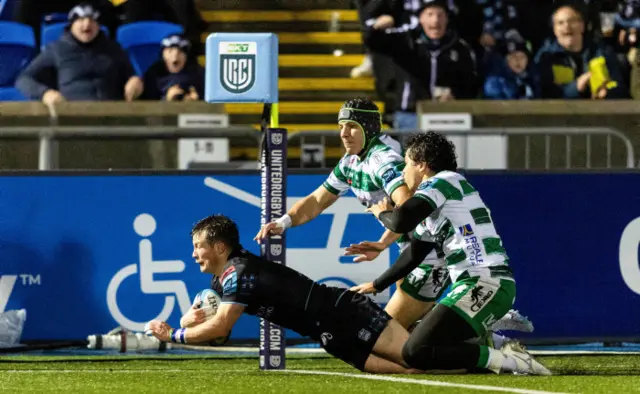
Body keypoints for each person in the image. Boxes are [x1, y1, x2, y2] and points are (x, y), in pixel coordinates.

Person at [145, 214, 549, 375]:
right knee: (410, 370)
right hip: (327, 333)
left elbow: (219, 327)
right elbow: (211, 322)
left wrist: (174, 336)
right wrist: (183, 323)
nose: (193, 253)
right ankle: (482, 345)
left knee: (417, 356)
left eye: (198, 246)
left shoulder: (240, 274)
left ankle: (495, 346)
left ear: (218, 248)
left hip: (342, 312)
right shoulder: (225, 279)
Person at [348, 131, 549, 375]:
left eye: (407, 164)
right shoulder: (440, 197)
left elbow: (400, 221)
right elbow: (415, 253)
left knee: (415, 351)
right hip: (474, 284)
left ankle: (505, 357)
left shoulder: (444, 181)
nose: (403, 172)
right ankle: (491, 341)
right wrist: (377, 284)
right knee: (412, 348)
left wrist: (381, 212)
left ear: (422, 165)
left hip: (485, 282)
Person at [15, 3, 143, 104]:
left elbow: (131, 75)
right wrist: (45, 93)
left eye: (92, 20)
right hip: (72, 115)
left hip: (109, 114)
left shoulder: (113, 49)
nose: (87, 24)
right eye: (80, 20)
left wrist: (135, 80)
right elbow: (24, 80)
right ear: (71, 25)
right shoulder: (56, 49)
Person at [141, 34, 205, 101]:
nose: (175, 56)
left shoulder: (198, 73)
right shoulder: (153, 74)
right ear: (163, 55)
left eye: (180, 52)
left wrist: (197, 101)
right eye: (170, 51)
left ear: (187, 57)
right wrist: (167, 99)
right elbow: (147, 104)